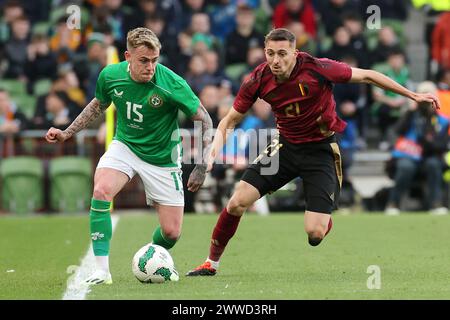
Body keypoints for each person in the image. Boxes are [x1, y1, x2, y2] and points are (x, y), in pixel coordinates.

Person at [186, 28, 440, 276]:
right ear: (265, 52)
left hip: (321, 150)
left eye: (283, 53)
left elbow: (369, 76)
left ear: (295, 53)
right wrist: (210, 156)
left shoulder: (318, 68)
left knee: (315, 234)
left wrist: (412, 95)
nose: (276, 60)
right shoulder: (258, 79)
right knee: (237, 201)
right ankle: (211, 263)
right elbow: (229, 121)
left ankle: (323, 215)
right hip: (285, 146)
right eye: (271, 53)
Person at [45, 27, 213, 285]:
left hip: (162, 157)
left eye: (155, 60)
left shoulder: (171, 82)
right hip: (125, 146)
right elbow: (98, 105)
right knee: (101, 191)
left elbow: (204, 117)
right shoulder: (110, 76)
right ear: (127, 57)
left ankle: (149, 254)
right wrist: (67, 132)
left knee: (171, 233)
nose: (150, 67)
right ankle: (102, 270)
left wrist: (201, 166)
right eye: (143, 61)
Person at [385, 81, 449, 215]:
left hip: (429, 157)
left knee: (434, 165)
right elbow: (394, 132)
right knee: (405, 167)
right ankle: (393, 204)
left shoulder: (442, 121)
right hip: (409, 156)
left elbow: (442, 145)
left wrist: (427, 141)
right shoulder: (410, 115)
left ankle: (436, 204)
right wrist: (410, 111)